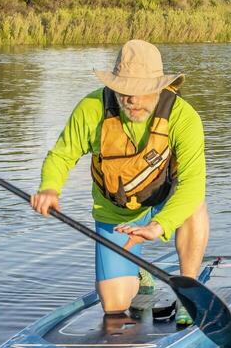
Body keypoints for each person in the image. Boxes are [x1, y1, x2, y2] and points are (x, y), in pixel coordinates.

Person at [32, 40, 209, 325]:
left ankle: (188, 289)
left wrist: (158, 226)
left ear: (159, 86)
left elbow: (192, 184)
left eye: (140, 91)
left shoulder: (183, 117)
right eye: (124, 90)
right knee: (113, 308)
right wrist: (50, 187)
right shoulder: (92, 108)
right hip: (116, 214)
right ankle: (140, 272)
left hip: (166, 202)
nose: (131, 100)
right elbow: (61, 155)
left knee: (195, 205)